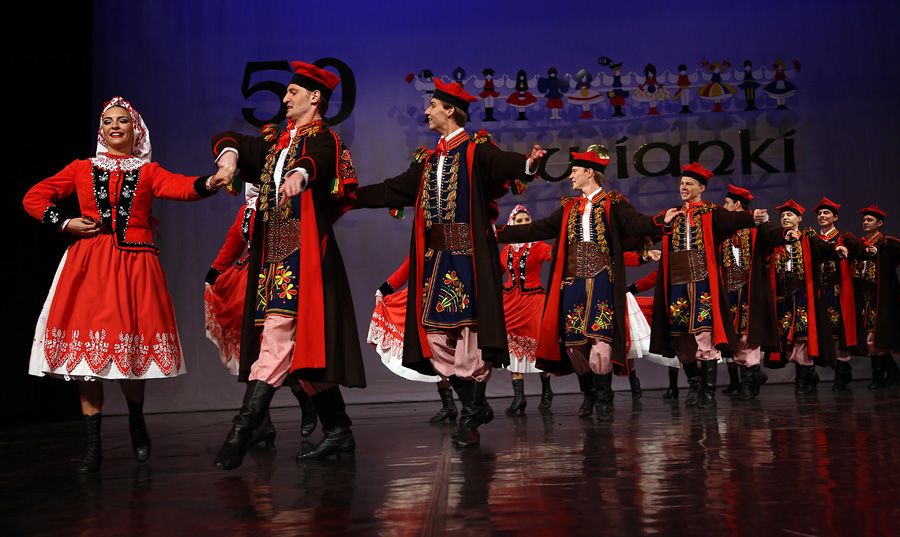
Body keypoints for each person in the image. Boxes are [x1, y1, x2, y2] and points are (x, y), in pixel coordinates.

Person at [24, 96, 226, 473]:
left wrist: (212, 181)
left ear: (136, 130)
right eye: (108, 121)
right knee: (87, 358)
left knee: (130, 348)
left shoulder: (147, 172)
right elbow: (34, 197)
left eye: (122, 121)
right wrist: (65, 222)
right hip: (89, 266)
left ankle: (136, 418)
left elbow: (183, 187)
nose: (114, 126)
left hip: (135, 266)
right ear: (101, 130)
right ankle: (93, 445)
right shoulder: (81, 168)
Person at [354, 78, 546, 447]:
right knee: (436, 338)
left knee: (469, 336)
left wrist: (527, 164)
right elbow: (393, 188)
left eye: (432, 106)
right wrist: (350, 197)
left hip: (469, 259)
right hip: (437, 262)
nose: (426, 111)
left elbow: (505, 163)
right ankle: (477, 405)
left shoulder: (475, 152)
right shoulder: (428, 161)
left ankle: (470, 416)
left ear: (450, 110)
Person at [210, 61, 363, 468]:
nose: (284, 99)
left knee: (276, 339)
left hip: (304, 258)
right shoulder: (276, 144)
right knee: (299, 353)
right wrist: (229, 159)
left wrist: (300, 175)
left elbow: (318, 160)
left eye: (292, 92)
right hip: (273, 257)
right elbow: (229, 138)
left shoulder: (324, 139)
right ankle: (338, 430)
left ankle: (242, 430)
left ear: (315, 97)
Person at [497, 147, 675, 421]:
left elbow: (636, 224)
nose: (570, 176)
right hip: (573, 283)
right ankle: (589, 394)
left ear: (589, 173)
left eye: (575, 171)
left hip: (602, 280)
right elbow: (538, 228)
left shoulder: (612, 202)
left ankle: (603, 397)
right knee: (574, 344)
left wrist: (660, 221)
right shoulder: (569, 207)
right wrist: (498, 233)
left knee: (600, 340)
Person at [204, 185, 318, 446]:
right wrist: (214, 273)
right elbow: (233, 243)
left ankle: (306, 401)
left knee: (280, 349)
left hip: (278, 278)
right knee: (254, 352)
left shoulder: (285, 206)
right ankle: (263, 424)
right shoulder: (246, 211)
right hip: (249, 284)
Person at [649, 163, 769, 409]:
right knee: (681, 337)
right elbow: (649, 230)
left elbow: (733, 219)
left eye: (689, 184)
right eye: (682, 183)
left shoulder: (711, 212)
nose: (683, 187)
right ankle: (695, 384)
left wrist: (754, 217)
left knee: (704, 334)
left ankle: (709, 391)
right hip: (677, 283)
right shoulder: (672, 214)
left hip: (702, 281)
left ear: (701, 188)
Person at [765, 200, 848, 394]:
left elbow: (823, 247)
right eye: (783, 215)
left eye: (790, 215)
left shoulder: (807, 238)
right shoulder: (776, 240)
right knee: (787, 339)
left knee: (803, 336)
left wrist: (835, 250)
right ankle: (809, 373)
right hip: (784, 298)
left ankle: (802, 379)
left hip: (803, 296)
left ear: (799, 219)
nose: (785, 218)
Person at [720, 184, 791, 400]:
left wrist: (786, 233)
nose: (723, 207)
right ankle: (751, 376)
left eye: (726, 203)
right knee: (734, 337)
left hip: (751, 290)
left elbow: (771, 234)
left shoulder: (756, 227)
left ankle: (748, 382)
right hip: (730, 291)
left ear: (737, 205)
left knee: (748, 335)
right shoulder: (724, 229)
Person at [368, 256, 449, 421]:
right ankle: (449, 405)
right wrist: (383, 290)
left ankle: (472, 404)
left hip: (448, 300)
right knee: (434, 354)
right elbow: (408, 266)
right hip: (426, 302)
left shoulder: (452, 247)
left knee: (451, 353)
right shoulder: (424, 248)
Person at [498, 205, 554, 414]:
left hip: (533, 302)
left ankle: (546, 390)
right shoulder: (506, 249)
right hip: (510, 304)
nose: (523, 224)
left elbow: (555, 255)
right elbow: (495, 270)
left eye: (526, 220)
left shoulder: (538, 246)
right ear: (512, 223)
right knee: (512, 349)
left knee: (539, 347)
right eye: (519, 221)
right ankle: (519, 397)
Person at [813, 198, 862, 391]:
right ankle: (838, 368)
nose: (822, 216)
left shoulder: (844, 238)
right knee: (824, 333)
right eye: (820, 213)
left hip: (838, 292)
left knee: (839, 332)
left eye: (826, 213)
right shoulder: (815, 239)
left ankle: (841, 373)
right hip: (820, 292)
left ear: (835, 217)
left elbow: (861, 252)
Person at [851, 205, 900, 387]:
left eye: (869, 220)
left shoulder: (888, 243)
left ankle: (879, 376)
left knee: (876, 335)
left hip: (881, 297)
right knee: (869, 335)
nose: (865, 222)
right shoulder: (860, 244)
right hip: (864, 296)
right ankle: (892, 372)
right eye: (864, 220)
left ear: (879, 223)